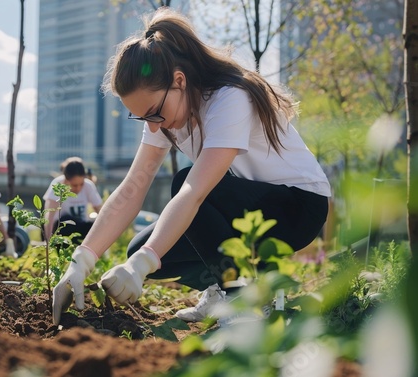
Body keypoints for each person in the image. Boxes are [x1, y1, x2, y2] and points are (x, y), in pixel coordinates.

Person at [52, 8, 331, 325]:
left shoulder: (229, 99)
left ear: (179, 81)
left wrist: (145, 263)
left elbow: (195, 191)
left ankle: (243, 299)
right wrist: (82, 259)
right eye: (143, 118)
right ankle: (225, 285)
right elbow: (132, 188)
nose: (153, 127)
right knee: (140, 247)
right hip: (248, 209)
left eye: (154, 114)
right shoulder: (162, 114)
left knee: (185, 185)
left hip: (299, 207)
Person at [43, 157, 102, 244]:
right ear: (66, 180)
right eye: (74, 185)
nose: (78, 188)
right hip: (61, 230)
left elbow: (100, 211)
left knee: (93, 226)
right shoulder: (58, 185)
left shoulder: (88, 186)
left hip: (80, 226)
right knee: (66, 222)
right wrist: (47, 241)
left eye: (81, 184)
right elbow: (49, 215)